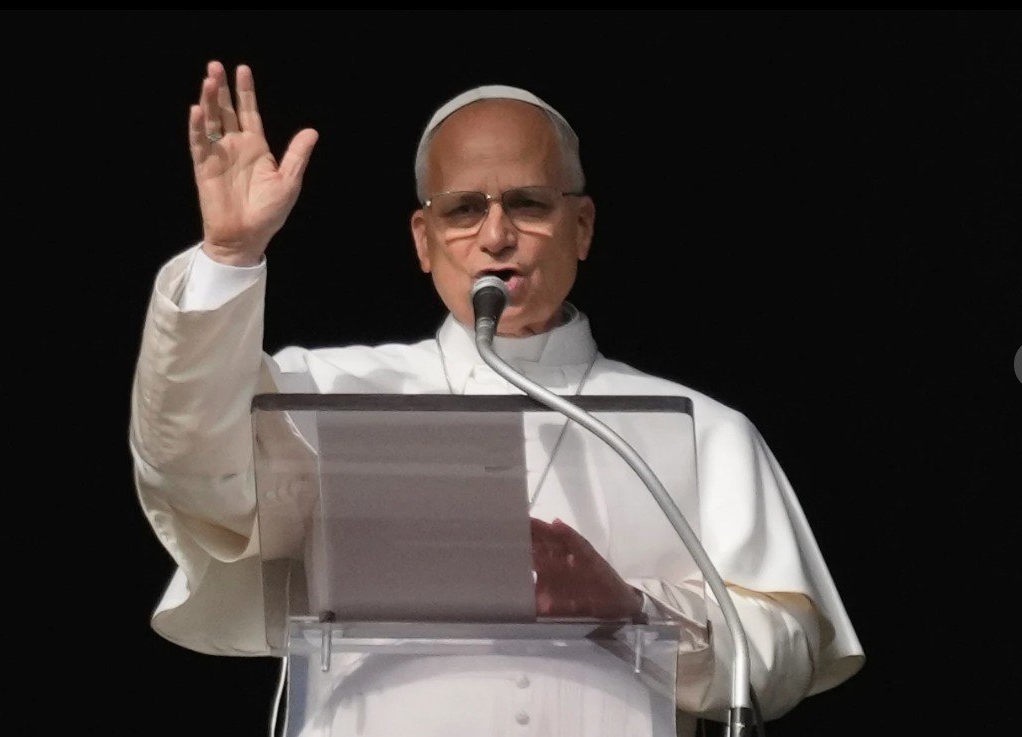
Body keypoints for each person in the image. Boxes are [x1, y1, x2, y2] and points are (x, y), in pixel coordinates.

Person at [130, 60, 865, 737]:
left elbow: (782, 656)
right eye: (461, 211)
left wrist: (632, 609)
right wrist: (229, 258)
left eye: (528, 203)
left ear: (582, 227)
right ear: (423, 240)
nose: (495, 235)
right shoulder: (330, 395)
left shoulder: (705, 429)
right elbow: (191, 472)